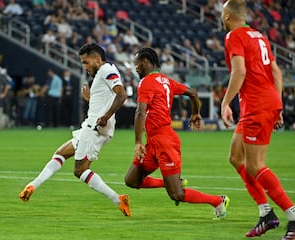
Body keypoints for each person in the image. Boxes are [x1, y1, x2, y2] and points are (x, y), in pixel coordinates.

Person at [19, 43, 131, 216]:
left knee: (80, 170)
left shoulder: (107, 70)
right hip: (93, 125)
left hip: (94, 127)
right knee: (60, 153)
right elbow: (104, 100)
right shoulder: (103, 73)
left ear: (97, 59)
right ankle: (32, 185)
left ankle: (118, 199)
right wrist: (90, 99)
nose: (84, 67)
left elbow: (122, 94)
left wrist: (107, 116)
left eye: (86, 62)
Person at [124, 47, 229, 219]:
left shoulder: (146, 82)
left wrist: (137, 142)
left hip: (165, 141)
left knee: (177, 195)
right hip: (154, 141)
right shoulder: (166, 81)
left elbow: (140, 112)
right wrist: (196, 113)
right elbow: (193, 93)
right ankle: (169, 183)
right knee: (132, 180)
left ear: (145, 62)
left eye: (137, 64)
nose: (136, 68)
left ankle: (218, 200)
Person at [220, 1, 295, 239]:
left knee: (255, 165)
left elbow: (239, 71)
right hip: (265, 101)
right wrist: (278, 105)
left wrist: (225, 102)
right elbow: (276, 71)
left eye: (223, 14)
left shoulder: (234, 35)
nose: (222, 17)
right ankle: (266, 213)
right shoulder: (259, 36)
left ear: (228, 15)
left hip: (256, 104)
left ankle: (292, 215)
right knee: (235, 157)